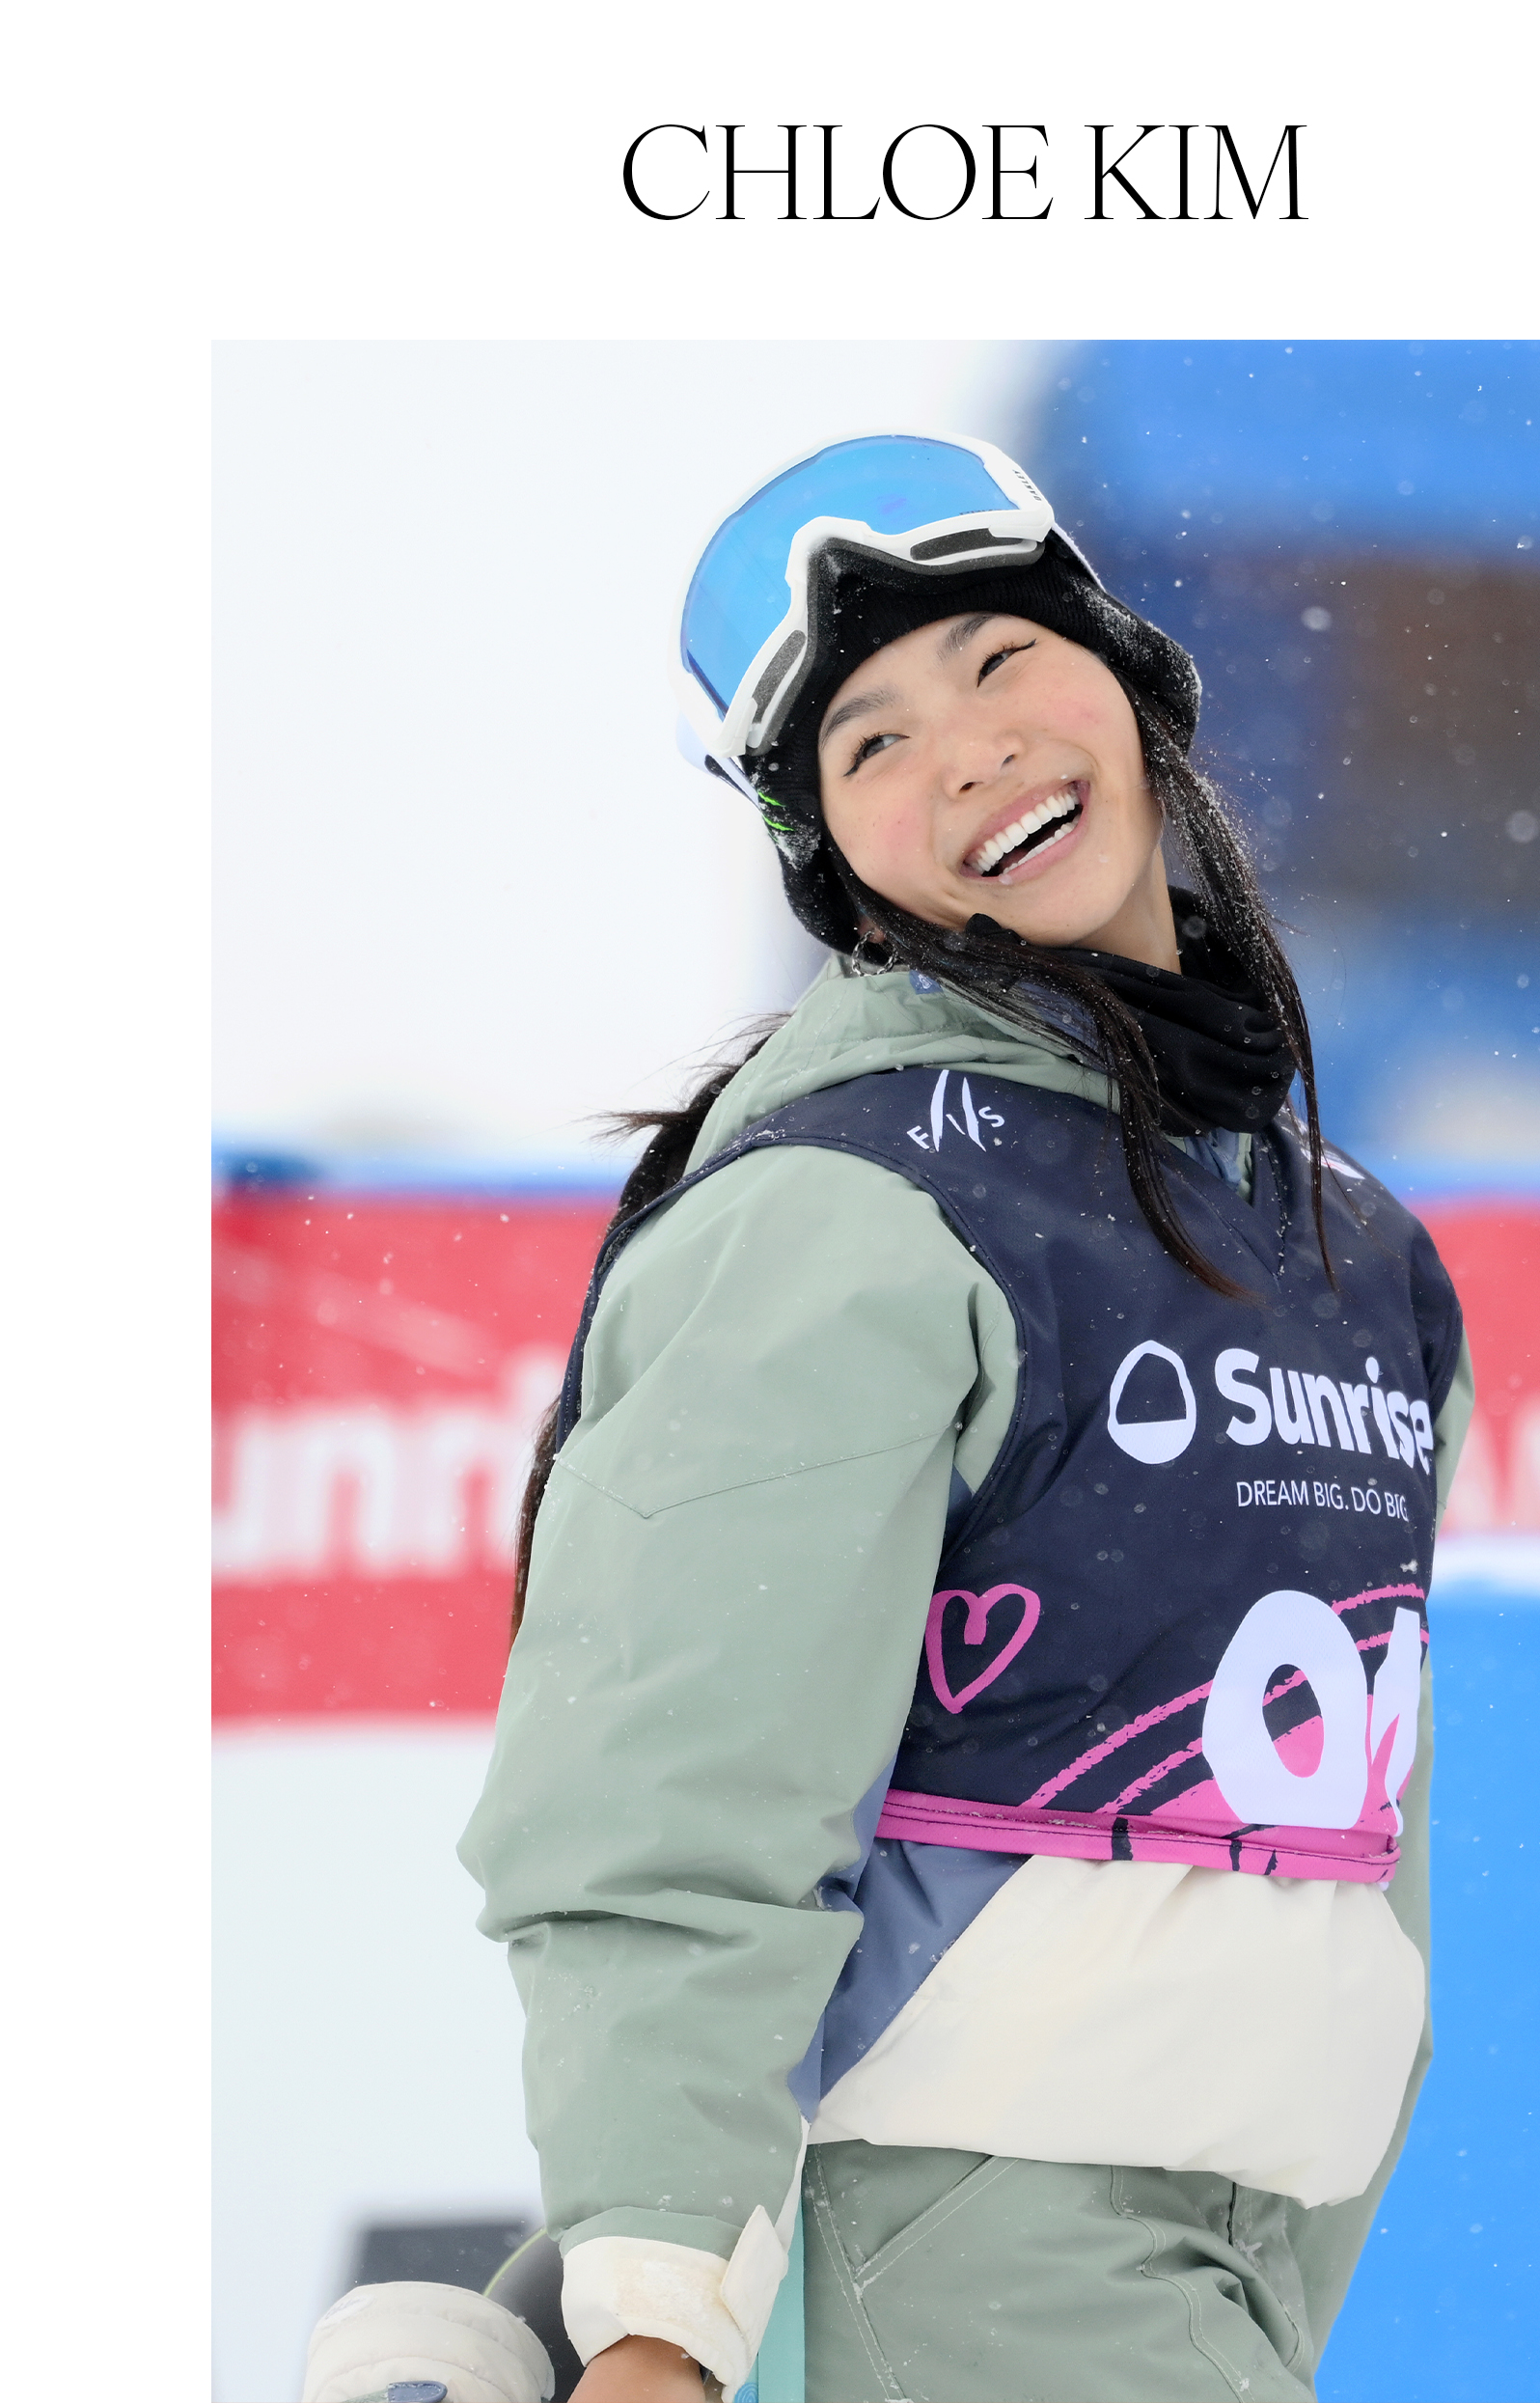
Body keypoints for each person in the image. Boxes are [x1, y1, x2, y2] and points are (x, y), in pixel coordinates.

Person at [319, 432, 1472, 2403]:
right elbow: (672, 1798)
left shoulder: (1354, 1250)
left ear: (1124, 676)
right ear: (834, 863)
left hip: (1224, 2263)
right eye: (870, 740)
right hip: (948, 2246)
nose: (971, 750)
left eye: (1007, 659)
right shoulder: (850, 1209)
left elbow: (1350, 1845)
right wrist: (660, 2317)